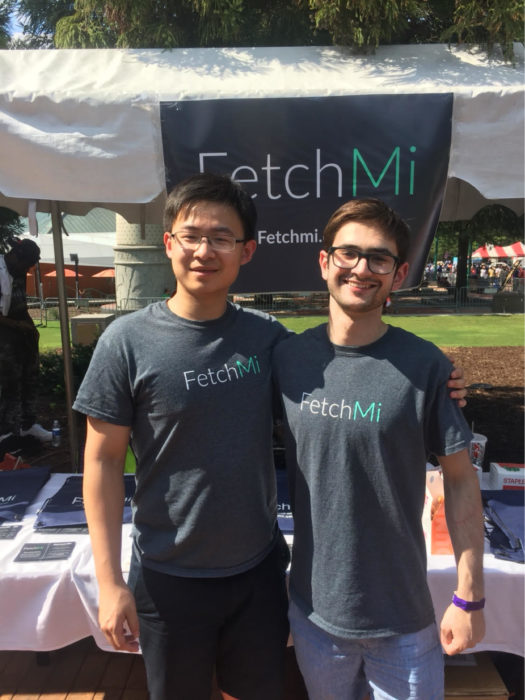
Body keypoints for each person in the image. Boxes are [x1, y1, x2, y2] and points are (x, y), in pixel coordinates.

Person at [74, 175, 467, 700]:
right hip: (169, 576)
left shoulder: (270, 340)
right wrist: (109, 583)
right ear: (168, 242)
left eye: (222, 238)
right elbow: (101, 464)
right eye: (192, 236)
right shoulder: (124, 342)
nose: (205, 251)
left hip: (258, 573)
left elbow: (351, 365)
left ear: (247, 251)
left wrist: (442, 378)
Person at [272, 198, 485, 700]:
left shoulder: (427, 367)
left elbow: (460, 481)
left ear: (399, 273)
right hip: (313, 615)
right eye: (348, 253)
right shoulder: (287, 359)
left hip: (402, 620)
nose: (361, 268)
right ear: (324, 261)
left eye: (379, 258)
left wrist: (470, 596)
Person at [0, 238, 52, 454]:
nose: (27, 270)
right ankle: (7, 433)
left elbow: (20, 304)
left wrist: (30, 329)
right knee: (9, 384)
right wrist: (19, 326)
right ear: (15, 256)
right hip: (5, 339)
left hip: (22, 337)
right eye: (26, 265)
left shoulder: (18, 271)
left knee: (30, 378)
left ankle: (27, 425)